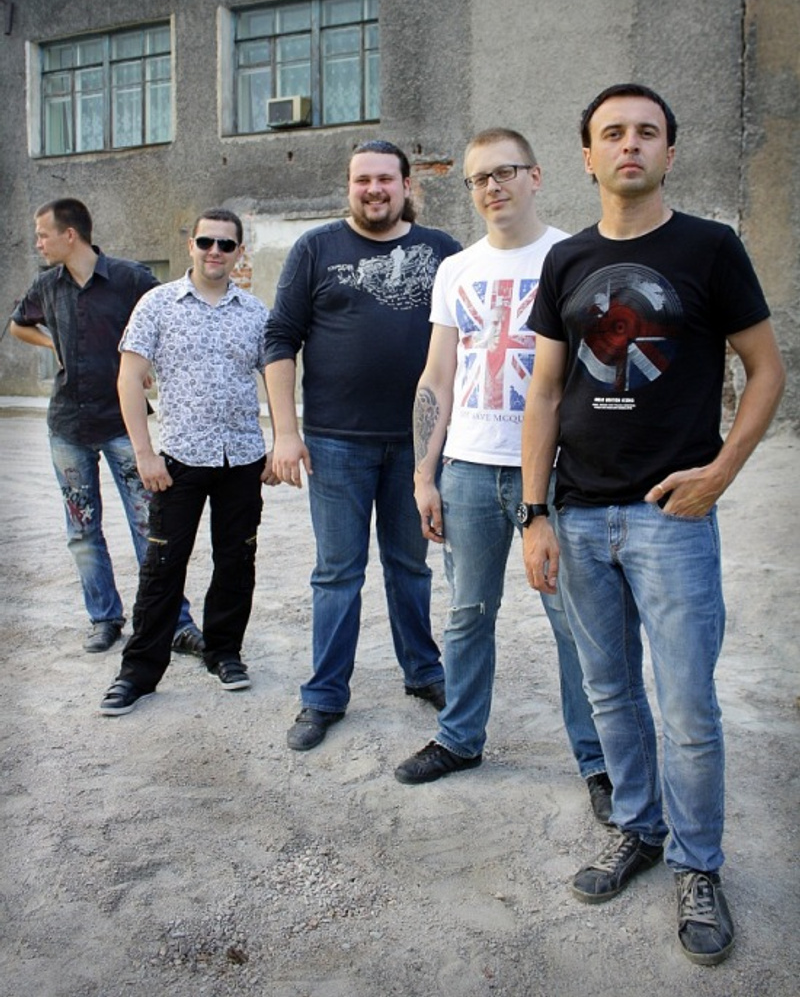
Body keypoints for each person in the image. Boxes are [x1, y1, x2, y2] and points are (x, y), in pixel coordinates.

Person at [521, 84, 785, 966]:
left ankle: (697, 864)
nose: (629, 145)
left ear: (670, 151)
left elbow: (765, 369)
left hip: (672, 518)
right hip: (578, 514)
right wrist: (534, 513)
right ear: (588, 157)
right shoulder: (566, 261)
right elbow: (545, 393)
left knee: (688, 706)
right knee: (609, 693)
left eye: (646, 132)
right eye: (612, 133)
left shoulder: (710, 247)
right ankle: (637, 826)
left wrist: (721, 472)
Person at [393, 128, 611, 822]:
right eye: (478, 178)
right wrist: (425, 473)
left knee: (574, 623)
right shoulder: (456, 269)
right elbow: (438, 376)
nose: (492, 187)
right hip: (467, 468)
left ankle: (600, 762)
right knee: (467, 615)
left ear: (536, 176)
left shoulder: (574, 256)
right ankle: (459, 739)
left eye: (505, 172)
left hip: (554, 474)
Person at [265, 140, 461, 751]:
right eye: (362, 180)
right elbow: (280, 338)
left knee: (411, 567)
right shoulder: (316, 248)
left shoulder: (444, 251)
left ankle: (423, 672)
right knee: (337, 574)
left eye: (385, 179)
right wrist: (286, 433)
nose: (374, 190)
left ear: (407, 186)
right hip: (335, 443)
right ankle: (325, 695)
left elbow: (469, 341)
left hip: (418, 445)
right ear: (349, 187)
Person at [99, 209, 276, 715]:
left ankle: (225, 653)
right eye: (206, 242)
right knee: (163, 566)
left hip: (242, 457)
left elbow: (275, 375)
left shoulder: (255, 313)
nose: (215, 251)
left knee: (236, 561)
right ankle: (138, 672)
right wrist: (144, 454)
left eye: (226, 244)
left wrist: (280, 440)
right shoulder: (157, 305)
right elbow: (128, 379)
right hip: (178, 460)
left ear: (239, 252)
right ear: (190, 245)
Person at [10, 198, 201, 655]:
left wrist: (145, 360)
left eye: (43, 234)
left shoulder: (131, 278)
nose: (38, 243)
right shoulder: (46, 285)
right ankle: (104, 617)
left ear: (69, 234)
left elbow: (172, 317)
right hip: (68, 426)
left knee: (150, 526)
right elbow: (18, 326)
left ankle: (172, 622)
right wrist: (52, 343)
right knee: (82, 531)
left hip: (122, 424)